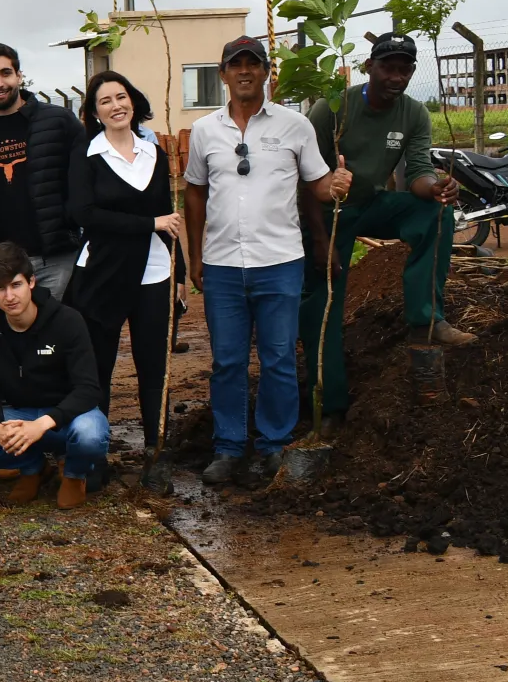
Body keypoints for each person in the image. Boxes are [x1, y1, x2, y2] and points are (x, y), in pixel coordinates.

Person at [184, 36, 351, 484]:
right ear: (222, 74)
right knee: (228, 361)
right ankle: (228, 447)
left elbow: (316, 183)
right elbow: (195, 192)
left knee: (278, 356)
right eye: (235, 65)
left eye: (252, 65)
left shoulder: (295, 125)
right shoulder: (204, 131)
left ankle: (273, 444)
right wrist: (195, 257)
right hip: (222, 264)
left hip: (279, 260)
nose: (244, 72)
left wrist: (336, 184)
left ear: (266, 73)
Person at [300, 32, 472, 419]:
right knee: (321, 307)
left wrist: (437, 188)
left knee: (437, 213)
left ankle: (426, 319)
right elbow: (304, 179)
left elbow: (418, 172)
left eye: (404, 70)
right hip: (326, 215)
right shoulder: (333, 109)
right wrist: (318, 241)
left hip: (371, 205)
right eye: (388, 68)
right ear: (369, 67)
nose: (396, 77)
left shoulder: (413, 113)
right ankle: (329, 408)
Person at [64, 71, 179, 479]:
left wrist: (177, 274)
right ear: (94, 112)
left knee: (154, 368)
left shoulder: (156, 153)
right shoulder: (88, 154)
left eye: (121, 96)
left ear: (133, 100)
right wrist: (149, 223)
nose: (116, 106)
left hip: (153, 274)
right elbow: (85, 215)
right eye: (105, 101)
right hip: (102, 273)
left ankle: (156, 451)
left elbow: (172, 221)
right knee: (98, 368)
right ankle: (93, 455)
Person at [0, 243, 108, 508]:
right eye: (0, 289)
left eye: (16, 285)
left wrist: (44, 423)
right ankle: (33, 467)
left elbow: (89, 389)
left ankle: (73, 474)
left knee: (91, 434)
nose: (9, 296)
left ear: (31, 282)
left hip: (65, 417)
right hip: (19, 414)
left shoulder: (67, 321)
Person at [0, 43, 85, 298]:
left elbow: (84, 179)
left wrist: (71, 224)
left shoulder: (59, 122)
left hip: (55, 258)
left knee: (54, 331)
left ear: (19, 75)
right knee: (11, 334)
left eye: (6, 73)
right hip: (1, 263)